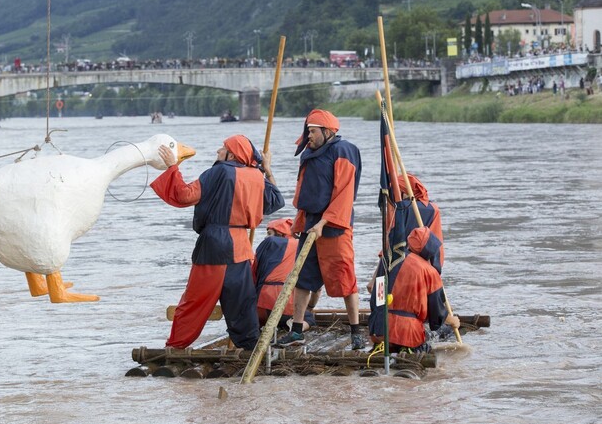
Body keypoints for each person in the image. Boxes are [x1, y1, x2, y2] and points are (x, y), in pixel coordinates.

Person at [151, 135, 285, 350]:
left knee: (195, 301)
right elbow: (276, 201)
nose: (218, 152)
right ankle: (252, 349)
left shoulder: (220, 171)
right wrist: (266, 169)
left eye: (222, 149)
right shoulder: (257, 176)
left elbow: (184, 195)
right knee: (242, 303)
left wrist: (172, 167)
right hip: (241, 247)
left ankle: (175, 346)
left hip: (215, 246)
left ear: (231, 154)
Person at [277, 109, 364, 349]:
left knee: (345, 278)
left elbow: (344, 193)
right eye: (308, 131)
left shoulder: (343, 150)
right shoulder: (310, 153)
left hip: (336, 224)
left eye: (312, 131)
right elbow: (307, 193)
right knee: (302, 278)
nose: (309, 136)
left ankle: (355, 331)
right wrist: (300, 222)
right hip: (310, 223)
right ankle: (296, 330)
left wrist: (324, 223)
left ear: (327, 131)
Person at [368, 227, 459, 353]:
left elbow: (376, 300)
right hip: (407, 335)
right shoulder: (430, 272)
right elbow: (437, 315)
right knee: (442, 333)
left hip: (378, 331)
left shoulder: (388, 260)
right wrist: (452, 321)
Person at [367, 173, 444, 294]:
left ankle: (379, 305)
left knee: (379, 294)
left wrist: (375, 278)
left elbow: (390, 244)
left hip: (398, 261)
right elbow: (436, 247)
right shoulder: (432, 209)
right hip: (423, 266)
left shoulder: (403, 210)